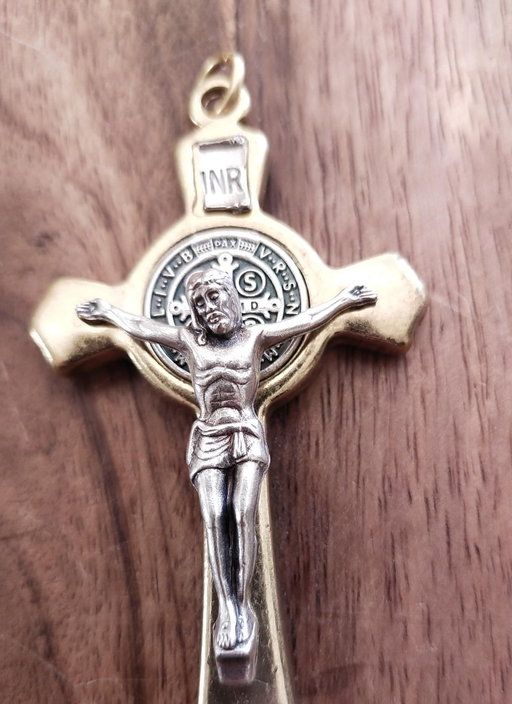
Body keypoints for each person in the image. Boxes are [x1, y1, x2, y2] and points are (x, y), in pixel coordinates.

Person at [77, 265, 376, 653]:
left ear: (232, 296)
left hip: (246, 432)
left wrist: (342, 302)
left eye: (213, 296)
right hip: (208, 436)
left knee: (242, 512)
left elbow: (305, 322)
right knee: (215, 515)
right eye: (199, 303)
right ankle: (229, 609)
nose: (208, 307)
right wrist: (109, 313)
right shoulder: (190, 341)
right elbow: (143, 328)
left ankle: (244, 604)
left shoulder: (254, 337)